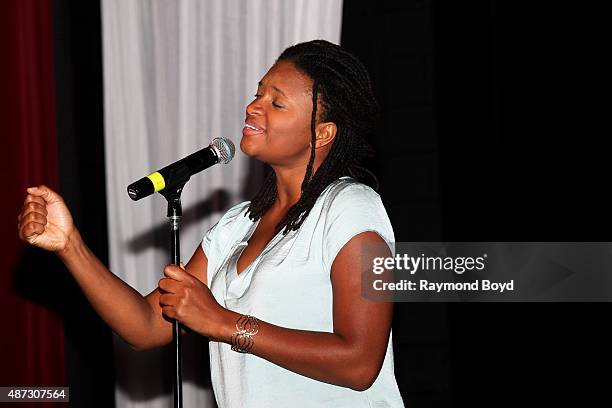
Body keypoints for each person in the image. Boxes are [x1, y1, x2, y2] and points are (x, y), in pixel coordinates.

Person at [18, 40, 404, 407]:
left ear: (323, 133)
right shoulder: (237, 226)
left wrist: (224, 322)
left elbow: (359, 363)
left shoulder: (350, 207)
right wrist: (71, 246)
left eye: (277, 103)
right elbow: (148, 326)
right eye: (258, 94)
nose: (254, 107)